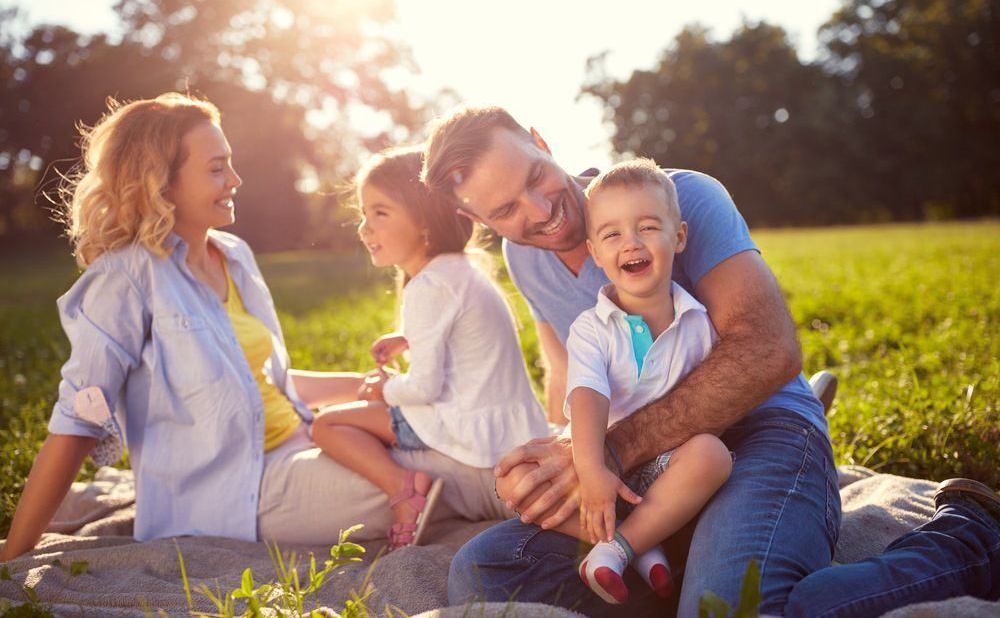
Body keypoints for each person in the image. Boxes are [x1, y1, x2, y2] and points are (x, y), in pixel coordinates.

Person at [422, 105, 1000, 616]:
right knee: (485, 572)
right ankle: (680, 568)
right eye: (506, 209)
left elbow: (767, 350)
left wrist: (609, 450)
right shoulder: (525, 259)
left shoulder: (681, 197)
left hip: (760, 430)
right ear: (480, 223)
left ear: (540, 140)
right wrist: (559, 459)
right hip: (647, 472)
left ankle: (971, 542)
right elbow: (573, 374)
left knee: (731, 609)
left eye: (535, 176)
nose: (541, 208)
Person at [0, 94, 511, 562]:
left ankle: (554, 480)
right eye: (217, 168)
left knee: (448, 436)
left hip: (301, 441)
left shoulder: (234, 256)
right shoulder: (123, 279)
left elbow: (267, 384)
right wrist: (15, 552)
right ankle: (549, 498)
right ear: (163, 182)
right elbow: (77, 423)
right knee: (444, 473)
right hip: (237, 493)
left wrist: (369, 389)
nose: (235, 180)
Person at [497, 159, 732, 605]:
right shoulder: (592, 327)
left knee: (712, 455)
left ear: (678, 236)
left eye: (647, 227)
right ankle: (642, 544)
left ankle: (616, 549)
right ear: (597, 252)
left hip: (667, 467)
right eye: (612, 235)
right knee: (515, 480)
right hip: (600, 461)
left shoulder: (699, 322)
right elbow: (587, 397)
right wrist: (591, 469)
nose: (631, 243)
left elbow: (713, 405)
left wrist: (681, 457)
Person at [308, 146, 548, 550]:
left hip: (469, 433)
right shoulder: (461, 270)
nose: (364, 228)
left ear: (423, 222)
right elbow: (461, 334)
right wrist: (407, 337)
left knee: (327, 424)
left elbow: (423, 389)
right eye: (364, 214)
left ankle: (404, 489)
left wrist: (381, 390)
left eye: (380, 213)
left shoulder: (428, 286)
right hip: (511, 429)